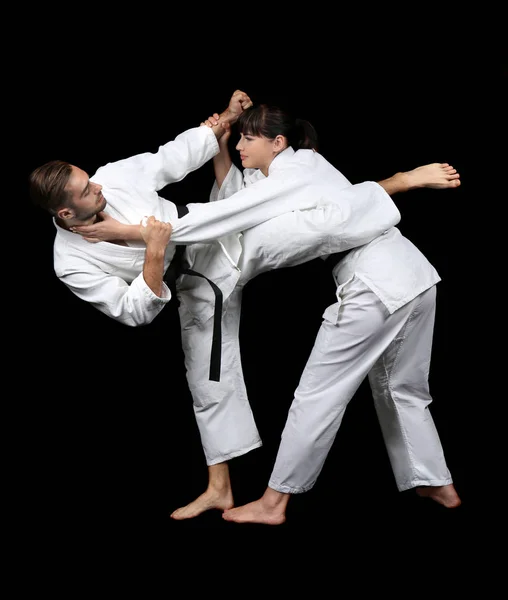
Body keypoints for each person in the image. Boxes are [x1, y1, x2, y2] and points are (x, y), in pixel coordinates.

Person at [164, 104, 461, 524]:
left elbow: (235, 211)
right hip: (414, 275)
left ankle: (274, 503)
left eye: (250, 138)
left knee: (317, 397)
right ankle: (437, 483)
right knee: (402, 388)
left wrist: (139, 233)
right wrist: (222, 140)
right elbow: (238, 196)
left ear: (278, 143)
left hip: (373, 284)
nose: (242, 145)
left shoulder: (299, 167)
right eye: (241, 138)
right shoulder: (281, 176)